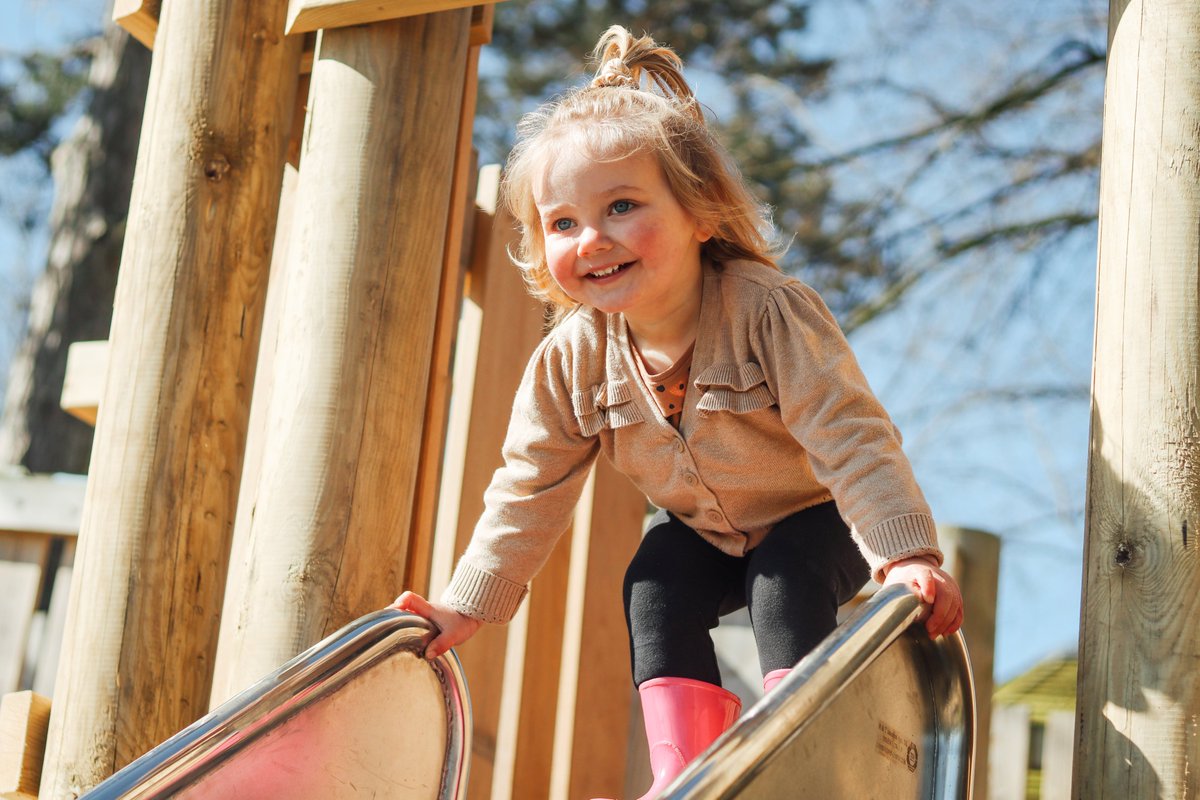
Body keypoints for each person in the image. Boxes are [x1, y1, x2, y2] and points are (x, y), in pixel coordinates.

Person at [394, 25, 964, 798]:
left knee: (784, 581)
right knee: (653, 582)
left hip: (815, 513)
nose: (591, 238)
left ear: (701, 213)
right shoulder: (571, 361)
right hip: (703, 531)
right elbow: (528, 488)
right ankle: (687, 776)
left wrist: (906, 556)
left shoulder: (766, 313)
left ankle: (798, 759)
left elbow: (850, 435)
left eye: (622, 206)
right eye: (562, 222)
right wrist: (468, 604)